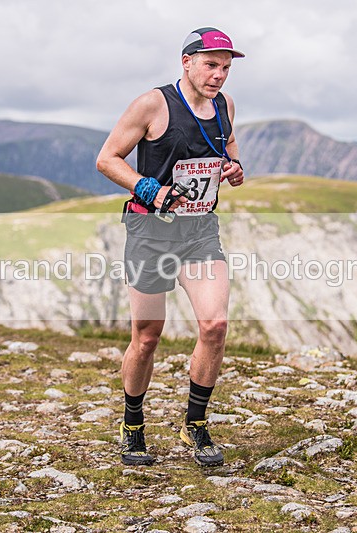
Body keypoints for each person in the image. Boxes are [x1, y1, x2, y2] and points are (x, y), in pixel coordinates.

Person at [96, 27, 245, 467]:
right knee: (146, 337)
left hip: (200, 231)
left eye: (225, 68)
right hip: (151, 232)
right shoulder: (153, 104)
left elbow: (228, 146)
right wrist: (149, 188)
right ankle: (133, 425)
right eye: (210, 65)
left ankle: (194, 425)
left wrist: (233, 168)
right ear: (187, 62)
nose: (218, 76)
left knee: (214, 325)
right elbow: (107, 159)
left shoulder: (225, 106)